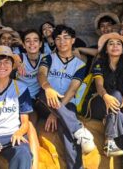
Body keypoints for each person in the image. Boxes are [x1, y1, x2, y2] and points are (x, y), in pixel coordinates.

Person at [37, 24, 95, 169]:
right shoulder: (48, 58)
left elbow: (72, 89)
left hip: (67, 103)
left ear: (73, 40)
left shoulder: (80, 65)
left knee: (66, 128)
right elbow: (41, 74)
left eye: (66, 38)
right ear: (54, 41)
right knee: (45, 95)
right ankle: (80, 131)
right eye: (58, 38)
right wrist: (48, 88)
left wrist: (57, 112)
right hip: (44, 99)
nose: (62, 42)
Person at [90, 32, 123, 169]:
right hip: (97, 102)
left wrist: (117, 110)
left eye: (118, 44)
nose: (115, 46)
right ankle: (109, 139)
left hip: (116, 106)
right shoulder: (99, 63)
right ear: (106, 48)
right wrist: (106, 97)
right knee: (115, 93)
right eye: (111, 43)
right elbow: (99, 85)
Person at [16, 29, 44, 123]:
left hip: (38, 97)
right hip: (22, 96)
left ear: (40, 44)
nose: (32, 43)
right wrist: (16, 60)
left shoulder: (46, 58)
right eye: (28, 41)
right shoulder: (19, 57)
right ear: (23, 45)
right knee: (30, 117)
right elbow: (4, 56)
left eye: (35, 40)